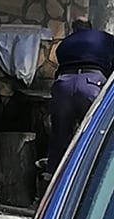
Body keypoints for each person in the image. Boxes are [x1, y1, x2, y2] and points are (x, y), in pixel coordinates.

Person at [47, 18, 114, 173]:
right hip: (91, 84)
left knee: (59, 136)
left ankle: (51, 177)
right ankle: (93, 177)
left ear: (73, 29)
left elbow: (61, 66)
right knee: (95, 135)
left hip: (64, 85)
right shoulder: (105, 38)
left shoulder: (64, 44)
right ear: (91, 27)